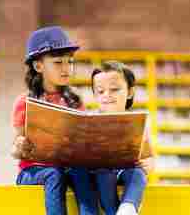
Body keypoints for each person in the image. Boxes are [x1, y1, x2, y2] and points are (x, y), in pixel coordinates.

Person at [11, 26, 99, 215]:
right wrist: (20, 146)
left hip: (67, 167)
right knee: (54, 173)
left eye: (70, 62)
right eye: (58, 62)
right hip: (33, 171)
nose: (67, 68)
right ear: (38, 66)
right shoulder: (24, 102)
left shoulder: (75, 101)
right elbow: (15, 148)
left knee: (82, 172)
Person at [90, 61, 155, 215]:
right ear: (94, 94)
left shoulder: (138, 121)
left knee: (137, 173)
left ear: (130, 92)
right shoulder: (91, 120)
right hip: (102, 172)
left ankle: (128, 207)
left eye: (114, 89)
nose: (107, 95)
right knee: (103, 174)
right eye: (100, 91)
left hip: (128, 170)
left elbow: (149, 157)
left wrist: (148, 164)